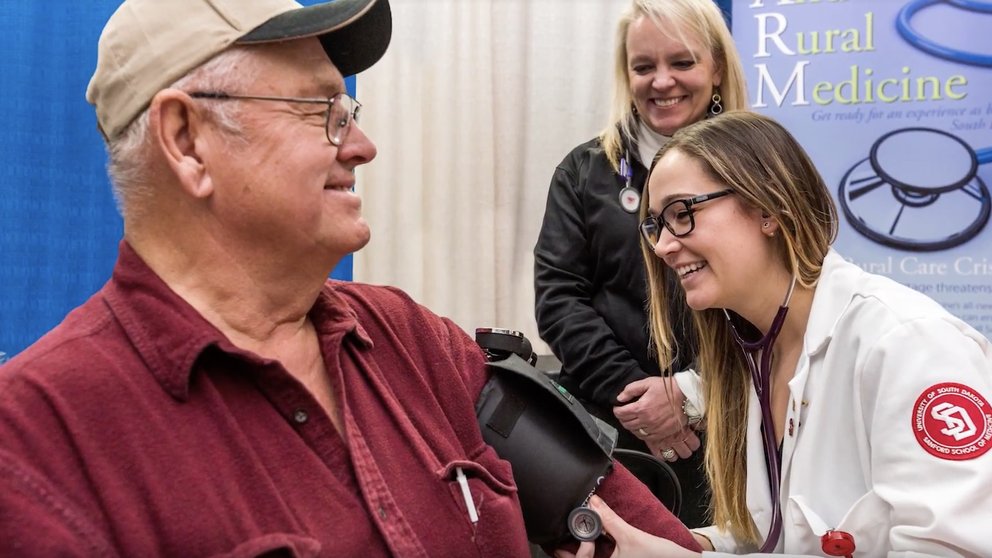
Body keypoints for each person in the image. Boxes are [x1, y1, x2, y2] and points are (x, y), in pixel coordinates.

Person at [0, 0, 704, 555]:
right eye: (322, 113)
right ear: (186, 141)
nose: (363, 147)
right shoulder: (39, 444)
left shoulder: (414, 342)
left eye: (351, 112)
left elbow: (635, 531)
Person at [566, 111, 992, 557]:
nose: (663, 246)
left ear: (768, 208)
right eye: (655, 224)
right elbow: (779, 536)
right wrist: (695, 544)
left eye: (681, 213)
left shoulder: (910, 345)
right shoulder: (760, 355)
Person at [534, 0, 747, 528]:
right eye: (643, 66)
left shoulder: (760, 167)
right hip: (612, 429)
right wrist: (639, 399)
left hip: (728, 426)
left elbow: (782, 299)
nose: (662, 81)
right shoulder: (585, 171)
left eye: (682, 62)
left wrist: (688, 394)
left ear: (716, 67)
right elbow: (559, 300)